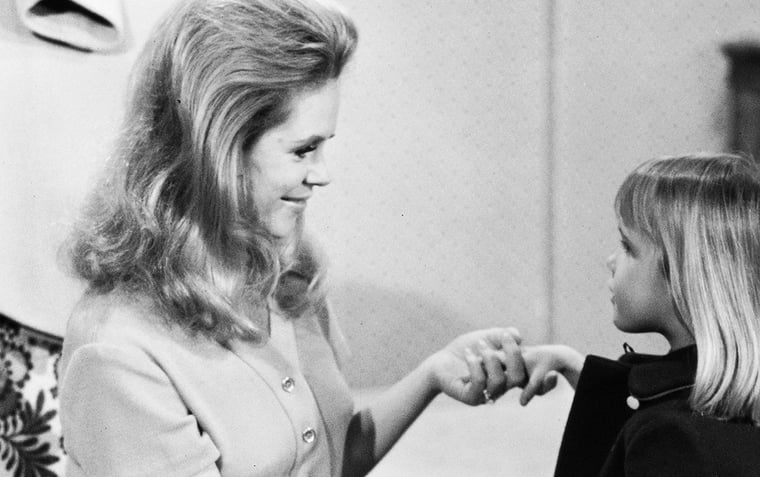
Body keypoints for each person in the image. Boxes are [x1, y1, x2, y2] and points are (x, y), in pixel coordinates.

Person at [57, 1, 527, 476]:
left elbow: (328, 459)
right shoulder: (118, 352)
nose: (322, 174)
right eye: (304, 150)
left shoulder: (286, 273)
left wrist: (431, 376)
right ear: (218, 149)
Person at [519, 153, 760, 476]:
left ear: (687, 278)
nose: (611, 260)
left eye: (628, 247)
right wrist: (574, 367)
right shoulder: (756, 403)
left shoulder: (670, 438)